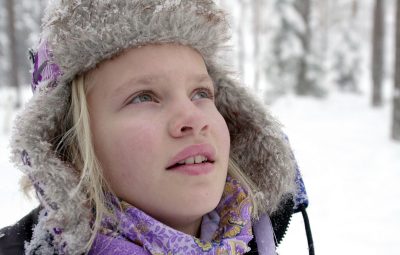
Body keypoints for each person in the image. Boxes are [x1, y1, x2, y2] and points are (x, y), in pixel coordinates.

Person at [0, 1, 298, 254]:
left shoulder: (254, 238)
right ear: (68, 147)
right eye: (143, 97)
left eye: (201, 93)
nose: (194, 118)